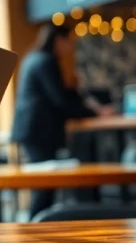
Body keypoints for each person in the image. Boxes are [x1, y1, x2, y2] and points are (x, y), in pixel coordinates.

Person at [10, 23, 114, 219]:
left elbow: (61, 96)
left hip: (32, 129)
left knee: (44, 185)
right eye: (69, 42)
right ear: (59, 40)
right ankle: (35, 228)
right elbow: (61, 101)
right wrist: (96, 112)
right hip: (39, 130)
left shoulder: (34, 58)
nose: (71, 47)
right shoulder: (46, 61)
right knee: (44, 186)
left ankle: (37, 226)